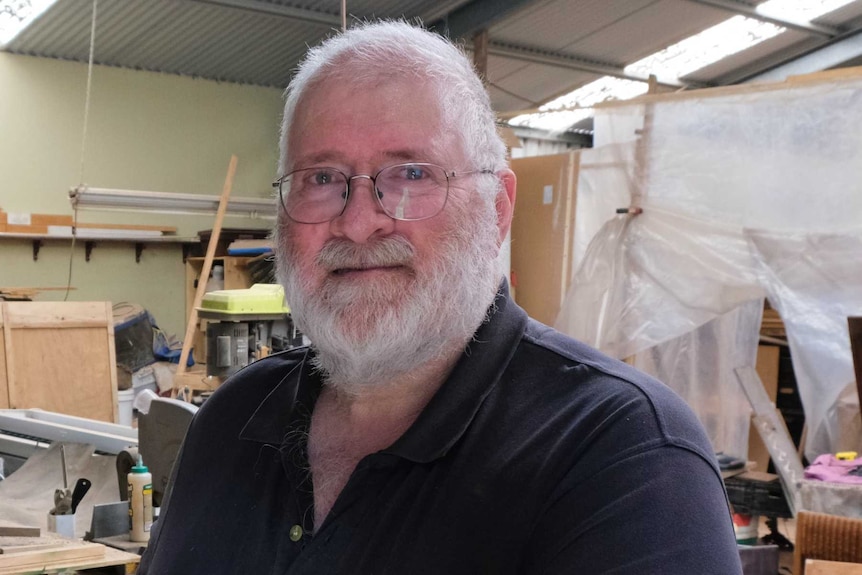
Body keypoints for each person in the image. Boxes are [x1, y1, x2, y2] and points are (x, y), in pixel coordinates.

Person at [139, 21, 743, 574]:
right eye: (321, 179)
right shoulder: (230, 420)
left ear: (497, 209)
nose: (358, 224)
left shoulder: (623, 456)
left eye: (411, 174)